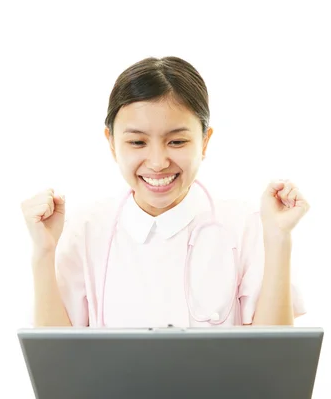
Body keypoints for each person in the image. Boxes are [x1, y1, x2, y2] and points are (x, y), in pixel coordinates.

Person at [21, 56, 309, 328]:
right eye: (137, 142)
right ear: (111, 143)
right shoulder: (85, 229)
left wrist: (278, 238)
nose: (158, 162)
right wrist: (43, 253)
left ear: (205, 142)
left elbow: (274, 357)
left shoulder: (245, 225)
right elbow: (57, 360)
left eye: (177, 142)